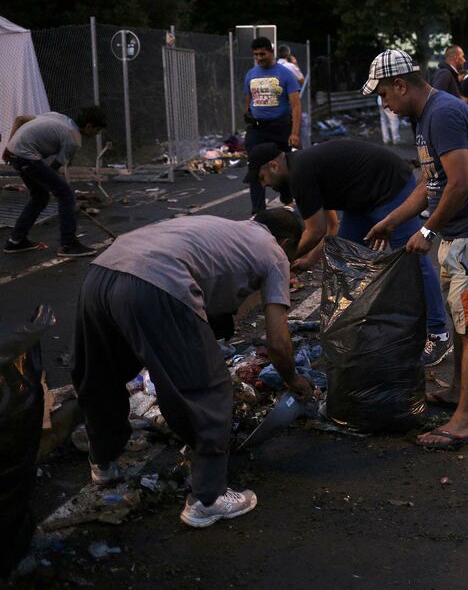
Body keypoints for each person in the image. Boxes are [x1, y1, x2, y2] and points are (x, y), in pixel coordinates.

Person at [72, 209, 313, 527]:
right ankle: (207, 499)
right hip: (157, 283)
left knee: (102, 375)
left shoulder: (226, 227)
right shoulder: (274, 253)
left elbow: (212, 285)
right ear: (285, 241)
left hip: (101, 274)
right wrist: (293, 379)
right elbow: (278, 342)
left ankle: (103, 465)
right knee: (208, 392)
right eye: (295, 252)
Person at [361, 49, 468, 450]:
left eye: (384, 95)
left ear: (401, 84)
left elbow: (459, 185)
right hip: (460, 234)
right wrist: (393, 220)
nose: (385, 104)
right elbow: (431, 183)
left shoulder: (442, 114)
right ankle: (456, 395)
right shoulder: (425, 117)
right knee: (462, 319)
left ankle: (465, 420)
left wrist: (426, 232)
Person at [250, 138, 454, 366]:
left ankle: (438, 334)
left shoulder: (300, 173)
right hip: (360, 202)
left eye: (262, 178)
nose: (265, 185)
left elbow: (315, 231)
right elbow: (331, 226)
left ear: (273, 166)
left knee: (412, 258)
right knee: (344, 261)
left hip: (390, 188)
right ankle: (350, 330)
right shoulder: (303, 167)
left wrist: (281, 260)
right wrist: (310, 259)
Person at [2, 107, 106, 257]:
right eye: (96, 131)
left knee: (40, 196)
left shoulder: (58, 117)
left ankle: (15, 241)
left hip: (15, 153)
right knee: (66, 194)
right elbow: (54, 167)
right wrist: (63, 193)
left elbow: (20, 119)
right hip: (26, 155)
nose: (96, 135)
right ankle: (68, 244)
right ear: (89, 126)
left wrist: (9, 146)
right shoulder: (74, 139)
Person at [243, 36, 302, 214]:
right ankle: (258, 212)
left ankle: (287, 202)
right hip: (258, 129)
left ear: (271, 53)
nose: (259, 58)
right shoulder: (251, 74)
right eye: (256, 55)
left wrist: (294, 133)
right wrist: (247, 114)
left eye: (263, 54)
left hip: (280, 128)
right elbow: (247, 100)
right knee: (255, 168)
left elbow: (296, 105)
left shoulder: (285, 74)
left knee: (284, 168)